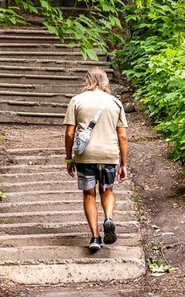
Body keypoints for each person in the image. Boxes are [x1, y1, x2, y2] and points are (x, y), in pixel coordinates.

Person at [63, 66, 128, 252]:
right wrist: (123, 163)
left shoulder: (77, 100)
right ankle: (108, 217)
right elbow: (122, 136)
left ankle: (95, 237)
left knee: (89, 194)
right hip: (109, 154)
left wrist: (69, 159)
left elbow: (69, 133)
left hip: (86, 156)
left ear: (87, 80)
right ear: (105, 81)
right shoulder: (115, 102)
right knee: (107, 189)